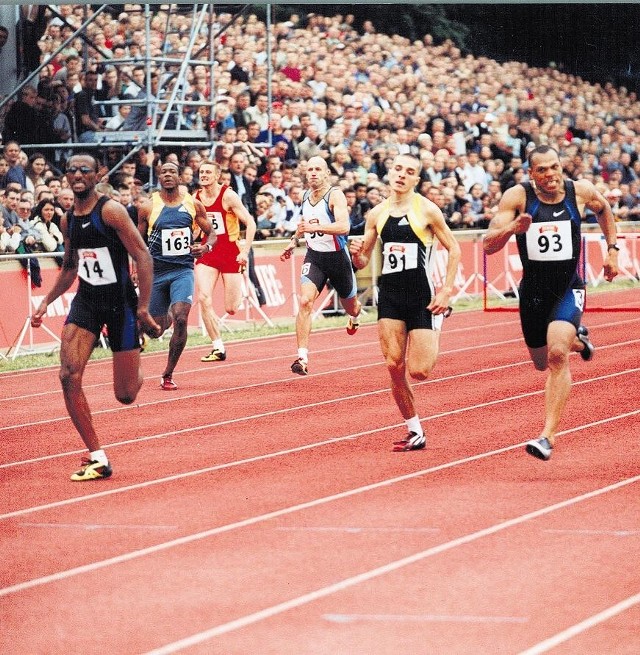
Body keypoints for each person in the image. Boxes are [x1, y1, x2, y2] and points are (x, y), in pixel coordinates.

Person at [483, 145, 619, 461]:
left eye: (554, 167)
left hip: (569, 288)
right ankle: (579, 341)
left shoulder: (580, 191)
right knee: (541, 361)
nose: (550, 175)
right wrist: (510, 229)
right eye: (542, 170)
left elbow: (604, 210)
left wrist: (612, 251)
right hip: (532, 293)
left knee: (557, 355)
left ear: (561, 167)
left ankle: (547, 437)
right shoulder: (516, 197)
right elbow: (488, 245)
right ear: (532, 174)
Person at [30, 152, 160, 481]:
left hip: (121, 305)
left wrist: (143, 307)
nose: (77, 175)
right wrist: (47, 300)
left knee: (126, 395)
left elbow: (142, 256)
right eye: (71, 170)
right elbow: (71, 267)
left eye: (84, 170)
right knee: (68, 375)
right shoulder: (67, 218)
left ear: (98, 173)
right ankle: (97, 456)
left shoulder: (111, 211)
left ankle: (135, 355)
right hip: (87, 301)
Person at [349, 153, 461, 451]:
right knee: (393, 364)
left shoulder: (427, 210)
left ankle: (437, 322)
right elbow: (361, 261)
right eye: (397, 168)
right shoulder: (377, 214)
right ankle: (415, 430)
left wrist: (446, 290)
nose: (401, 174)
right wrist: (355, 251)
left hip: (421, 297)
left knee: (419, 371)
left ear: (416, 179)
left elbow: (455, 249)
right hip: (390, 296)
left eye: (408, 171)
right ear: (390, 172)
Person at [280, 156, 362, 376]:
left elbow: (344, 227)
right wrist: (293, 240)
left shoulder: (335, 195)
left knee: (351, 306)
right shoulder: (306, 196)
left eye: (318, 169)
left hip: (338, 259)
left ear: (327, 173)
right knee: (305, 301)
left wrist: (318, 229)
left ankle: (355, 317)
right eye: (310, 169)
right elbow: (304, 225)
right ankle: (302, 357)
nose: (313, 173)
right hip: (315, 257)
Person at [137, 161, 213, 390]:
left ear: (180, 177)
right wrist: (135, 269)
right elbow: (138, 243)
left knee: (182, 317)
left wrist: (205, 247)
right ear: (159, 177)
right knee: (156, 329)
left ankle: (168, 373)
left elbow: (212, 233)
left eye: (172, 172)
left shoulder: (193, 204)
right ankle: (160, 322)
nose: (168, 175)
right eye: (164, 172)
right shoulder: (148, 207)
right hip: (156, 273)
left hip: (182, 270)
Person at [194, 160, 257, 362]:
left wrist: (244, 251)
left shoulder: (228, 195)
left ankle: (241, 282)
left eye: (208, 172)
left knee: (232, 308)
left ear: (217, 176)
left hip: (230, 253)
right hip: (208, 252)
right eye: (201, 172)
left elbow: (250, 223)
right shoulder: (195, 198)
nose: (203, 175)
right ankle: (218, 346)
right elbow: (194, 228)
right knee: (203, 298)